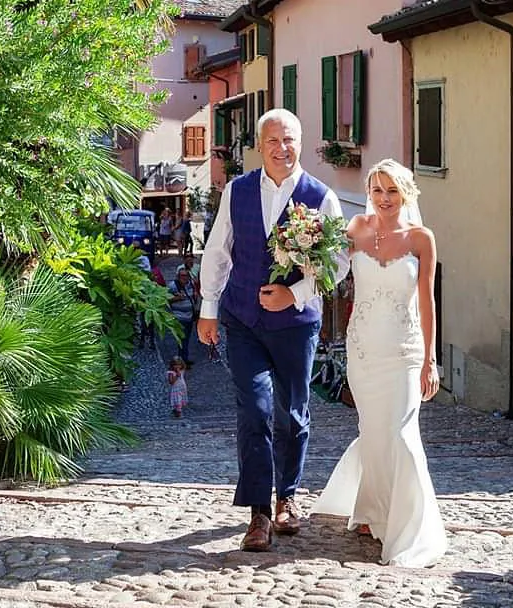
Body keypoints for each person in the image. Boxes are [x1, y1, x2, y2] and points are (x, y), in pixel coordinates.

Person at [198, 108, 347, 552]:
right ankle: (258, 513)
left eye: (290, 140)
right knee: (255, 411)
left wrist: (295, 293)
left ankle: (288, 497)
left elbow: (337, 263)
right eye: (273, 142)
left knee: (292, 413)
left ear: (300, 143)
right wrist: (208, 308)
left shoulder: (321, 196)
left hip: (295, 326)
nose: (282, 149)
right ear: (259, 147)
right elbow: (219, 249)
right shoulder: (238, 191)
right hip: (242, 320)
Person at [311, 158, 447, 568]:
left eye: (392, 191)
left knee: (402, 435)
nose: (384, 199)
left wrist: (431, 360)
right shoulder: (354, 230)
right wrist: (301, 251)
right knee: (373, 431)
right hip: (363, 349)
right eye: (377, 191)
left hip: (405, 351)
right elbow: (329, 273)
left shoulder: (422, 239)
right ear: (368, 194)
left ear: (406, 193)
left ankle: (408, 528)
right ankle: (372, 510)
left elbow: (427, 301)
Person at [168, 267, 197, 364]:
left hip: (189, 316)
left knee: (186, 339)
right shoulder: (173, 286)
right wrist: (177, 298)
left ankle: (184, 359)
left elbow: (193, 297)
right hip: (179, 317)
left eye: (186, 275)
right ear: (178, 276)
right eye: (182, 276)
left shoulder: (191, 284)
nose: (185, 278)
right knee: (182, 340)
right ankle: (183, 361)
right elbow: (166, 299)